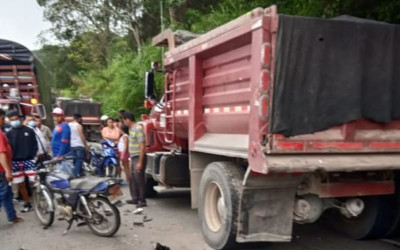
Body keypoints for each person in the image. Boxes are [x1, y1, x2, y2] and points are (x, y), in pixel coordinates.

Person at [6, 110, 38, 212]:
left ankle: (41, 202)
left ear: (20, 118)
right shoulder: (9, 133)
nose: (14, 121)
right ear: (9, 121)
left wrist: (33, 157)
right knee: (21, 185)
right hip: (15, 162)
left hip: (29, 160)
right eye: (12, 120)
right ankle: (27, 203)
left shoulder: (29, 130)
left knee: (35, 182)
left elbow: (35, 144)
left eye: (16, 119)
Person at [0, 109, 22, 224]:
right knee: (2, 194)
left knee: (8, 194)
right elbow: (1, 153)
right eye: (2, 118)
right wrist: (8, 171)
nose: (4, 121)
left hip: (3, 169)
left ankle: (12, 216)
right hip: (1, 170)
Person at [122, 112, 146, 207]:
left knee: (139, 178)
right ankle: (135, 198)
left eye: (124, 120)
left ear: (128, 119)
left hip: (138, 156)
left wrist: (140, 161)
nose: (124, 122)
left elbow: (142, 146)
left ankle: (142, 200)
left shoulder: (138, 128)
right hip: (133, 156)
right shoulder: (131, 129)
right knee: (132, 178)